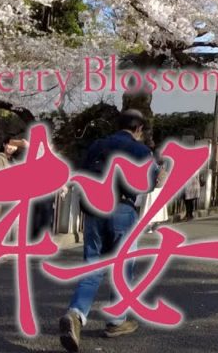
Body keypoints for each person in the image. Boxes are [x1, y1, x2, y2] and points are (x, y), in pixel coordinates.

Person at [59, 110, 153, 351]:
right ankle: (116, 320)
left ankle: (76, 313)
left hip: (93, 209)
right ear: (139, 129)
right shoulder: (140, 150)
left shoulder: (98, 145)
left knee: (93, 264)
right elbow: (149, 182)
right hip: (122, 209)